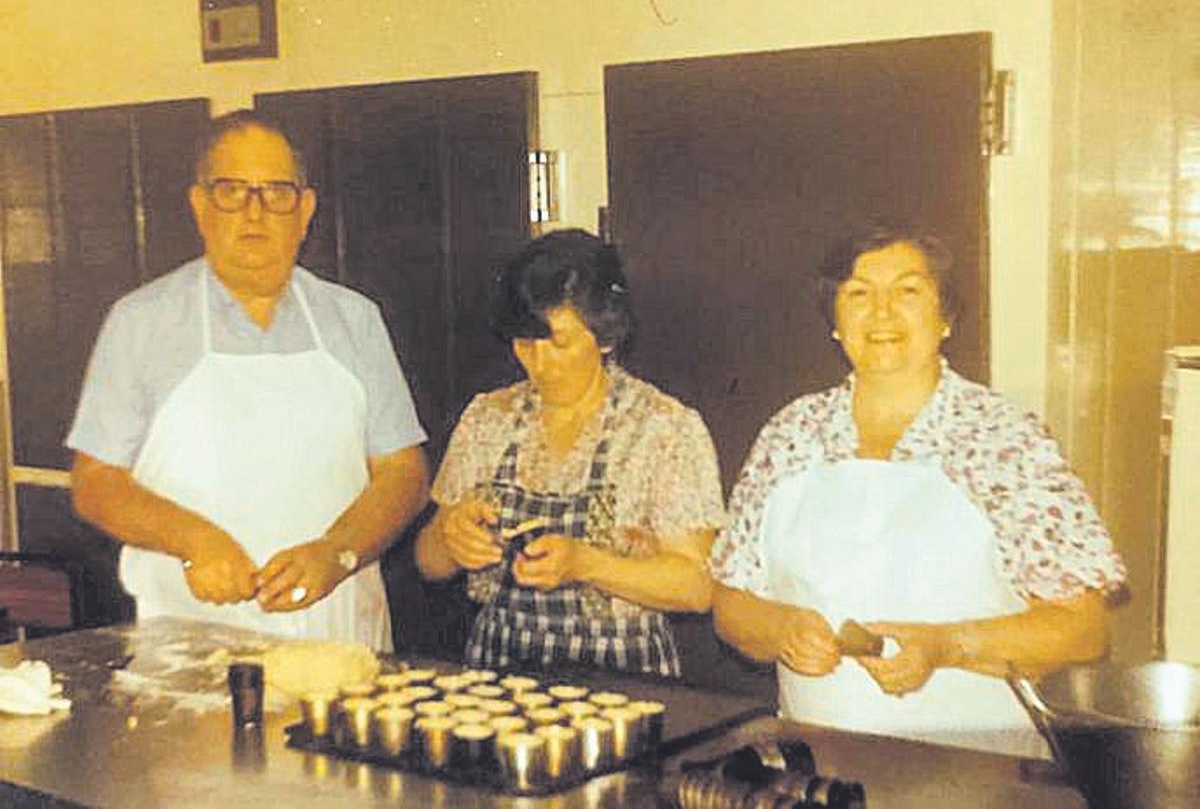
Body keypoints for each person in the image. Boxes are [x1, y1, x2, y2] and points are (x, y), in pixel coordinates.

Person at [709, 223, 1125, 756]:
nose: (881, 312)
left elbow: (1082, 628)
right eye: (858, 293)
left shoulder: (1003, 437)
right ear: (835, 322)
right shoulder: (791, 433)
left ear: (945, 318)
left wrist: (946, 646)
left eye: (907, 291)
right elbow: (731, 603)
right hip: (815, 762)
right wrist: (780, 627)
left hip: (978, 769)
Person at [68, 110, 430, 650]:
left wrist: (339, 551)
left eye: (276, 192)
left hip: (339, 635)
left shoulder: (354, 320)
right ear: (200, 205)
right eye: (232, 191)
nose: (254, 212)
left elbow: (405, 471)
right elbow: (96, 483)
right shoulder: (141, 322)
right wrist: (194, 539)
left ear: (305, 210)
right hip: (191, 640)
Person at [415, 229, 725, 676]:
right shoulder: (488, 418)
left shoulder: (662, 428)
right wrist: (451, 534)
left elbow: (697, 586)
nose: (539, 363)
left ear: (605, 336)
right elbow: (429, 563)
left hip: (624, 675)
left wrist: (587, 564)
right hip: (499, 669)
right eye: (525, 344)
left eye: (558, 343)